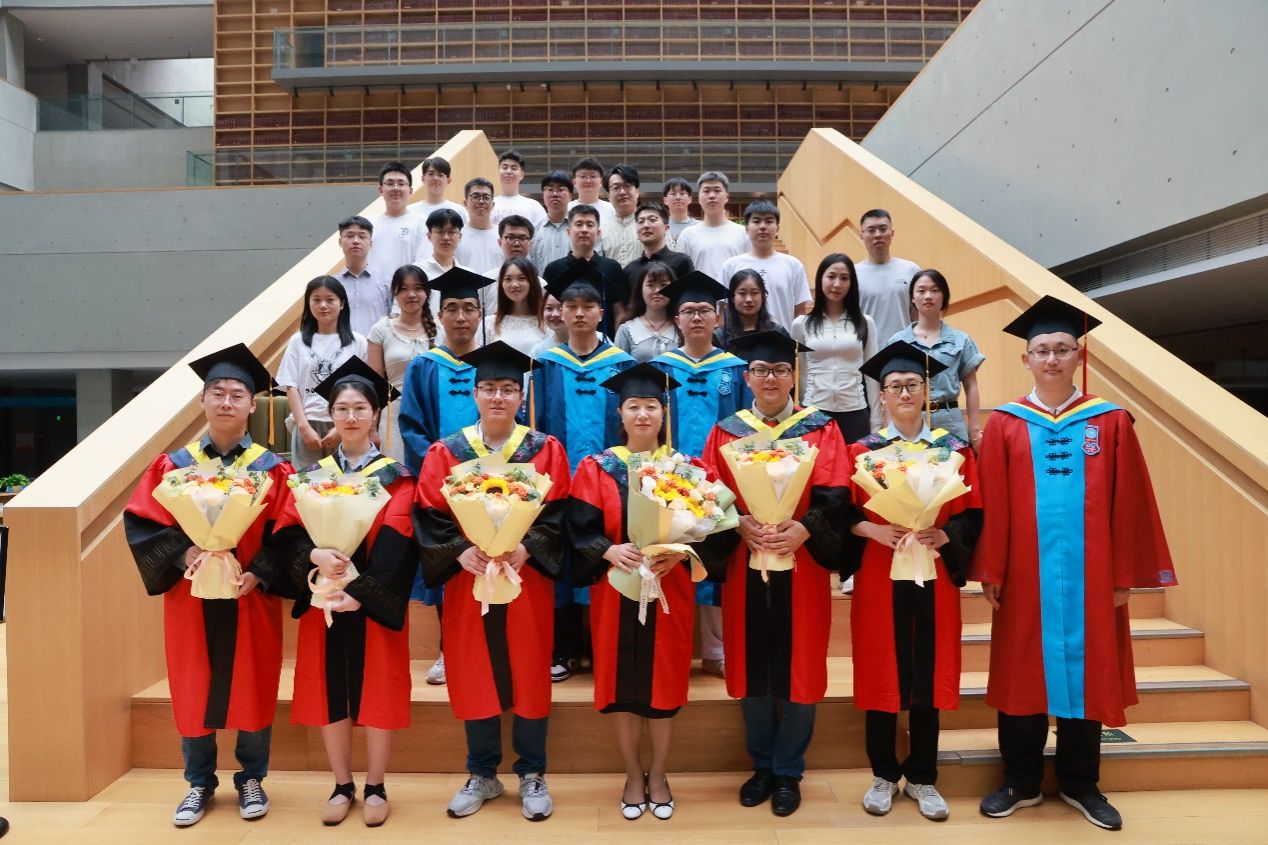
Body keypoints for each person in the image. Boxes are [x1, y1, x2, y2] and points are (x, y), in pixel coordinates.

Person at [970, 296, 1177, 831]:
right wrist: (991, 570)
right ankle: (1020, 781)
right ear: (1026, 359)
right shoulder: (1006, 424)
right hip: (1026, 575)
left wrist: (1124, 574)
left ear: (1079, 355)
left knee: (1091, 672)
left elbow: (1130, 502)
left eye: (1062, 349)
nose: (1052, 358)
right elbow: (991, 502)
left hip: (1093, 576)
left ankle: (1082, 783)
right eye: (1042, 350)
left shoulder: (1109, 421)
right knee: (1021, 672)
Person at [123, 344, 294, 828]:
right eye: (216, 392)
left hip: (248, 594)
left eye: (236, 394)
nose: (225, 401)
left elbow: (290, 528)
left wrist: (261, 571)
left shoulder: (270, 468)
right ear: (202, 401)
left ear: (252, 404)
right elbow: (143, 521)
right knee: (193, 682)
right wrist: (185, 554)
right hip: (191, 594)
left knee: (254, 681)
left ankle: (252, 777)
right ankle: (198, 782)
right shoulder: (174, 465)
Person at [414, 341, 571, 822]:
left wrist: (530, 547)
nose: (498, 397)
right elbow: (429, 514)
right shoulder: (448, 451)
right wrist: (458, 552)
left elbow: (560, 512)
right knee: (473, 669)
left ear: (521, 395)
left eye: (507, 388)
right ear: (475, 394)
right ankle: (482, 772)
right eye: (489, 388)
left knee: (529, 669)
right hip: (471, 579)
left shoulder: (544, 449)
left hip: (525, 580)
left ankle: (532, 771)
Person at [701, 330, 854, 817]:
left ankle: (789, 770)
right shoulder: (726, 431)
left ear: (794, 376)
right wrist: (736, 523)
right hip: (746, 561)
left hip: (800, 563)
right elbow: (709, 493)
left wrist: (806, 529)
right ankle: (762, 765)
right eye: (761, 370)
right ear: (747, 377)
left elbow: (837, 491)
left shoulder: (821, 428)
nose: (771, 378)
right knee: (751, 663)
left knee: (800, 663)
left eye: (780, 370)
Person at [567, 364, 729, 821]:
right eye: (634, 406)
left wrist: (681, 554)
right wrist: (606, 550)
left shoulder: (688, 469)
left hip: (668, 589)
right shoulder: (596, 468)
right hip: (616, 589)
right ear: (620, 414)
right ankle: (632, 773)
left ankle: (658, 772)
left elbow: (715, 530)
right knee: (620, 685)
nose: (643, 414)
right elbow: (578, 530)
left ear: (664, 412)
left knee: (664, 681)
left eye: (651, 406)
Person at [271, 359, 417, 827]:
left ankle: (375, 785)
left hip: (371, 604)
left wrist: (363, 592)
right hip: (325, 599)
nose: (351, 417)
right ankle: (341, 784)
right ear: (330, 415)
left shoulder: (397, 477)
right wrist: (314, 557)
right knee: (328, 688)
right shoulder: (311, 476)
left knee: (378, 689)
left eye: (360, 408)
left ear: (376, 414)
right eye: (341, 409)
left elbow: (399, 543)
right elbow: (287, 534)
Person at [845, 341, 983, 822]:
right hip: (879, 572)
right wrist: (871, 529)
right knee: (881, 667)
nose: (904, 393)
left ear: (926, 392)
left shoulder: (953, 451)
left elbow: (974, 513)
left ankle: (923, 776)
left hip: (933, 569)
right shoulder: (862, 453)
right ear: (881, 396)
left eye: (912, 385)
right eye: (894, 386)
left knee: (930, 668)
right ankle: (883, 774)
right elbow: (840, 514)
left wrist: (947, 534)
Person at [397, 268, 496, 685]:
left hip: (493, 487)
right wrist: (444, 475)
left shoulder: (493, 366)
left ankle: (490, 649)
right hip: (442, 491)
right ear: (439, 315)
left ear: (480, 315)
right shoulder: (424, 367)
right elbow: (412, 426)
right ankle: (447, 650)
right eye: (452, 308)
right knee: (446, 562)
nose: (460, 316)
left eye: (469, 308)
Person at [650, 272, 751, 680]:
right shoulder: (661, 368)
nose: (696, 317)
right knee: (670, 559)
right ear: (676, 319)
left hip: (722, 478)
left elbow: (748, 426)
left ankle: (714, 649)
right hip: (669, 478)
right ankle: (668, 649)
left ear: (718, 317)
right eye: (688, 311)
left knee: (715, 559)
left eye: (704, 310)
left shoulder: (736, 369)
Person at [277, 276, 369, 468]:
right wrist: (304, 427)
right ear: (308, 304)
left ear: (342, 304)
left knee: (348, 481)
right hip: (308, 423)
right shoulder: (298, 341)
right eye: (316, 300)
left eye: (330, 299)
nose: (323, 305)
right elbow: (291, 386)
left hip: (347, 423)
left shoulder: (358, 342)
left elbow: (363, 389)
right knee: (306, 483)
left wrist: (340, 429)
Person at [887, 269, 985, 446]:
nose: (928, 296)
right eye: (921, 291)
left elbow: (971, 387)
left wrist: (974, 430)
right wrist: (889, 430)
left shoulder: (961, 340)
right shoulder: (898, 341)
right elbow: (889, 391)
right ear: (912, 298)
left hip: (950, 422)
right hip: (909, 423)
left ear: (944, 297)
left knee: (956, 465)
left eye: (935, 290)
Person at [791, 253, 879, 444]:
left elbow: (872, 376)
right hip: (814, 412)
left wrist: (876, 422)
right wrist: (804, 411)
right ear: (820, 279)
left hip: (855, 411)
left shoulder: (865, 323)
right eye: (831, 276)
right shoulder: (801, 324)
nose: (837, 284)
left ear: (852, 283)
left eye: (844, 278)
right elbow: (801, 372)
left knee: (855, 462)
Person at [367, 265, 438, 464]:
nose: (411, 294)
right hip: (394, 411)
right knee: (396, 470)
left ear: (427, 293)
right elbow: (374, 384)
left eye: (418, 288)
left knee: (431, 468)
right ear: (395, 294)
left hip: (431, 410)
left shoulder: (440, 329)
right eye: (404, 289)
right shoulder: (381, 329)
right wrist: (371, 428)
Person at [718, 200, 812, 333]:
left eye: (769, 221)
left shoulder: (793, 265)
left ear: (777, 228)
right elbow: (723, 312)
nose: (762, 226)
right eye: (756, 221)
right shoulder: (730, 266)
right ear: (747, 228)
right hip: (740, 342)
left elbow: (799, 314)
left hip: (781, 341)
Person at [542, 204, 631, 338]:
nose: (584, 230)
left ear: (598, 232)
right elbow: (548, 310)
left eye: (590, 225)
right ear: (569, 231)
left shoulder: (612, 268)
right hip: (564, 344)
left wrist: (617, 343)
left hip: (604, 344)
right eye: (579, 224)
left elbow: (619, 311)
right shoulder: (554, 269)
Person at [855, 209, 921, 346]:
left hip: (903, 351)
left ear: (892, 233)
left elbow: (917, 315)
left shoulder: (911, 270)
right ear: (862, 236)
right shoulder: (852, 274)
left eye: (883, 229)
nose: (878, 235)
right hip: (866, 353)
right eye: (871, 230)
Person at [675, 171, 750, 280]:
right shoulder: (687, 235)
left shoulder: (743, 233)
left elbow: (750, 272)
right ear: (699, 198)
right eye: (706, 191)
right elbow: (680, 275)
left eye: (717, 190)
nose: (712, 195)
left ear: (727, 196)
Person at [366, 161, 427, 283]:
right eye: (390, 183)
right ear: (381, 189)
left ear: (410, 190)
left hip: (407, 290)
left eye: (401, 183)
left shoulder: (421, 222)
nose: (395, 188)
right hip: (374, 291)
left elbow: (423, 263)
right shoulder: (368, 224)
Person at [334, 215, 393, 338]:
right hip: (339, 348)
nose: (356, 241)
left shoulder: (386, 283)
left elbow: (394, 320)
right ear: (340, 242)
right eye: (350, 236)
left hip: (375, 348)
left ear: (371, 243)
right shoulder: (331, 285)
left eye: (362, 236)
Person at [613, 261, 679, 363]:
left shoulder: (682, 327)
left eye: (663, 285)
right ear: (641, 288)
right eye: (650, 285)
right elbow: (618, 367)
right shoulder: (627, 330)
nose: (657, 290)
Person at [622, 200, 694, 291]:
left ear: (666, 228)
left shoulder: (681, 262)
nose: (646, 225)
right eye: (641, 221)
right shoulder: (629, 269)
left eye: (652, 220)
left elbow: (689, 296)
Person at [483, 256, 548, 355]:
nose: (514, 284)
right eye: (508, 279)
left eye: (521, 278)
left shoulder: (546, 324)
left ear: (532, 282)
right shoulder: (489, 324)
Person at [415, 208, 469, 319]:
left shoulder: (469, 275)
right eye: (440, 232)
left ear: (460, 236)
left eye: (452, 232)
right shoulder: (416, 272)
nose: (446, 238)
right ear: (429, 236)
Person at [479, 214, 536, 313]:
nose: (517, 243)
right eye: (510, 238)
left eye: (523, 238)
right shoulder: (485, 282)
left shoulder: (540, 284)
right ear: (500, 242)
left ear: (530, 244)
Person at [717, 268, 786, 347]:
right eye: (742, 293)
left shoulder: (778, 334)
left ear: (763, 297)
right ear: (732, 298)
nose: (748, 299)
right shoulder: (720, 337)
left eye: (754, 293)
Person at [410, 156, 468, 244]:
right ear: (423, 178)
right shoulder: (411, 211)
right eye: (431, 174)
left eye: (440, 175)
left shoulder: (459, 211)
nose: (435, 178)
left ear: (448, 180)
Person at [455, 177, 503, 278]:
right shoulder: (456, 236)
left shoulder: (503, 236)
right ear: (465, 203)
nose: (481, 201)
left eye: (486, 197)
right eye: (475, 196)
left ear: (493, 204)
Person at [490, 148, 548, 230]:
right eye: (504, 167)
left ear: (522, 175)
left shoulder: (534, 206)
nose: (508, 171)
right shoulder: (488, 205)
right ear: (498, 172)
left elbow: (542, 234)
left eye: (514, 168)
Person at [530, 170, 575, 270]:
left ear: (570, 196)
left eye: (560, 189)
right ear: (543, 195)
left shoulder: (579, 230)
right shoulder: (534, 231)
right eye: (550, 189)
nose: (555, 194)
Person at [601, 163, 642, 266]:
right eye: (616, 188)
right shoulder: (601, 231)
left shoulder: (653, 225)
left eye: (627, 186)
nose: (622, 192)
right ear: (608, 196)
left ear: (637, 192)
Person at [569, 156, 616, 231]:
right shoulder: (566, 209)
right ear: (574, 182)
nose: (588, 180)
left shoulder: (613, 210)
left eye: (593, 176)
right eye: (583, 176)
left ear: (601, 182)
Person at [662, 176, 699, 250]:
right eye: (673, 194)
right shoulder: (660, 227)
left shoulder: (699, 226)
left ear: (690, 199)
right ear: (665, 200)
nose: (678, 197)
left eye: (682, 193)